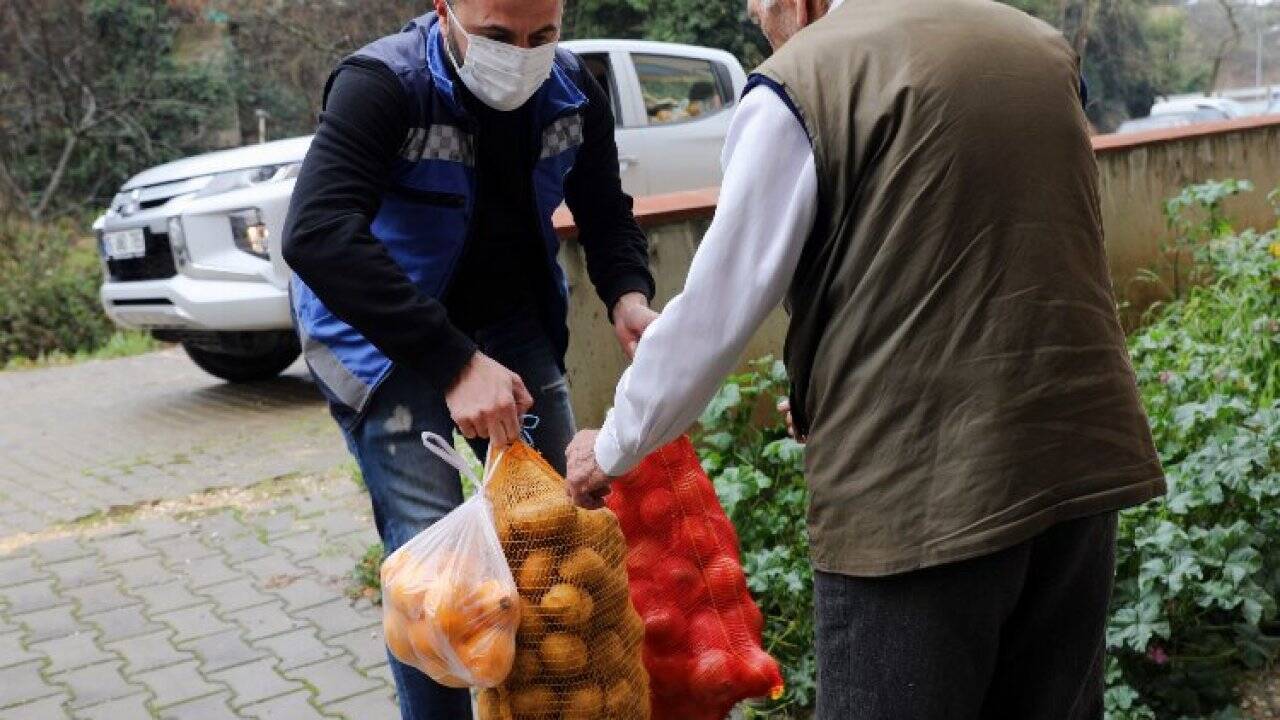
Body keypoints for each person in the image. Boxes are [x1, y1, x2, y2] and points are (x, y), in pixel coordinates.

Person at [565, 0, 1165, 717]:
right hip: (1077, 469)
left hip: (919, 504)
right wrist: (831, 385)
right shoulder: (1038, 47)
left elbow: (714, 311)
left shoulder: (802, 84)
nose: (760, 18)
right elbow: (971, 256)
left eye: (761, 3)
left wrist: (618, 443)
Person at [282, 0, 657, 716]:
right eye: (497, 36)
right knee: (440, 584)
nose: (521, 54)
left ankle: (561, 704)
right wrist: (454, 363)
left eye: (541, 35)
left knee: (558, 537)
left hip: (512, 323)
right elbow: (317, 233)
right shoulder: (382, 84)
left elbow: (605, 208)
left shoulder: (575, 89)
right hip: (386, 339)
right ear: (444, 9)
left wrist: (629, 296)